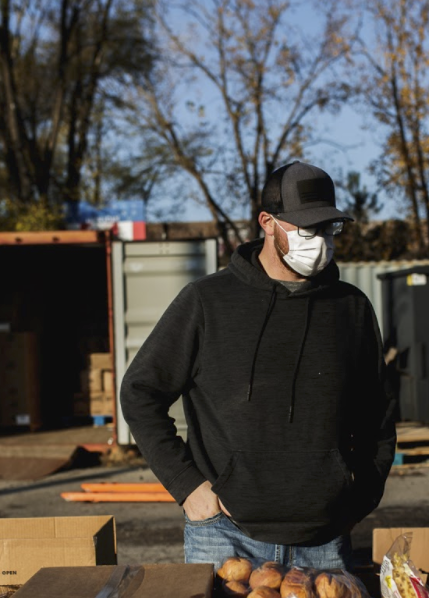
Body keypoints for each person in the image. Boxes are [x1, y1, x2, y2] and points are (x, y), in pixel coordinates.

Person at [120, 161, 397, 571]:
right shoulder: (206, 302)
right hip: (224, 537)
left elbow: (378, 413)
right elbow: (140, 392)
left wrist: (359, 498)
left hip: (324, 541)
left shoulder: (351, 308)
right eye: (306, 229)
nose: (319, 241)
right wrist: (189, 488)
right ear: (267, 222)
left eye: (328, 228)